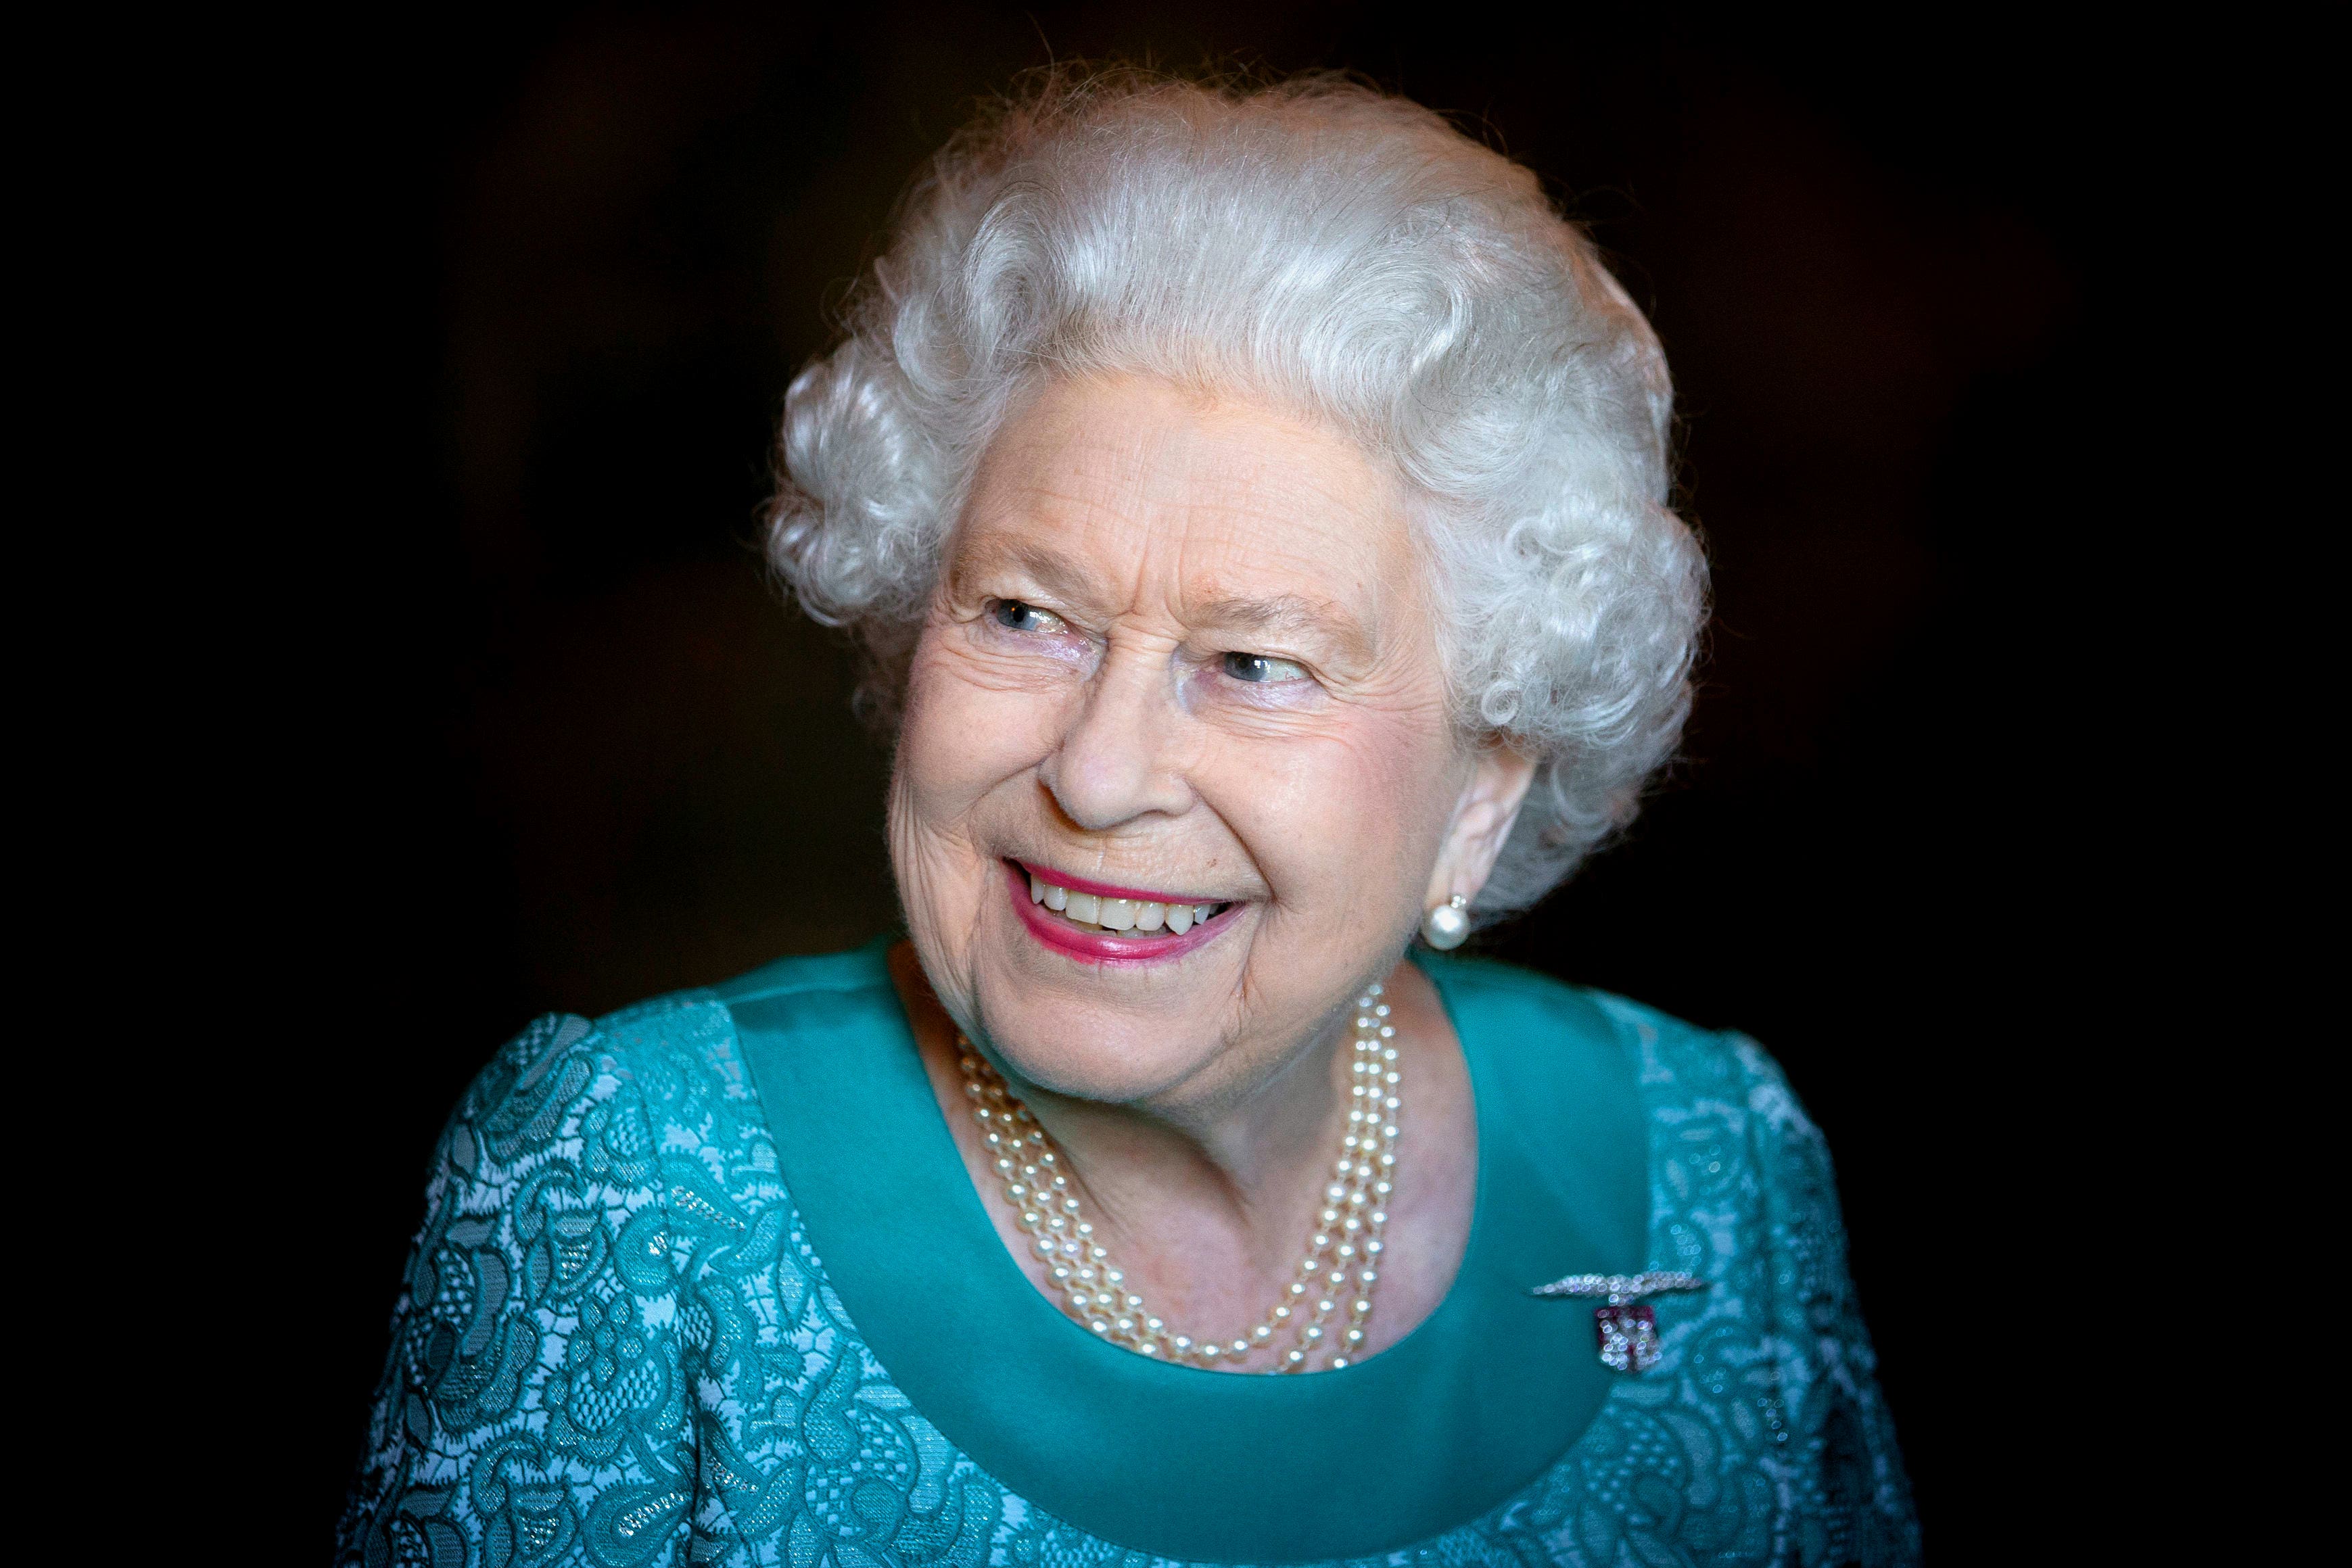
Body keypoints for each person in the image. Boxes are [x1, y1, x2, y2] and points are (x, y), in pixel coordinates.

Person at [339, 71, 1918, 1567]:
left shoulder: (1711, 1166)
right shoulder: (633, 1180)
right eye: (1025, 615)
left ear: (1480, 787)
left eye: (1253, 662)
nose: (1096, 775)